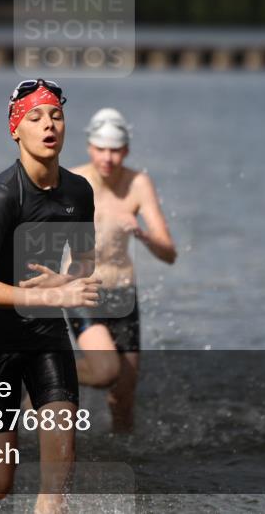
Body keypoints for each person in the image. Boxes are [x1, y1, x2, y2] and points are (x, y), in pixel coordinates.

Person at [0, 78, 102, 513]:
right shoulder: (1, 197)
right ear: (16, 129)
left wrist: (66, 281)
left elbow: (85, 263)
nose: (48, 125)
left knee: (56, 489)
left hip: (47, 336)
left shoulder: (78, 192)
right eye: (35, 117)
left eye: (56, 115)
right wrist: (42, 297)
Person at [67, 108, 177, 433]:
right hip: (83, 292)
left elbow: (169, 254)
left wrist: (142, 234)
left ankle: (127, 464)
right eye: (101, 149)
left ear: (126, 150)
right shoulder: (70, 182)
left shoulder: (138, 184)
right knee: (105, 372)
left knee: (124, 399)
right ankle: (46, 374)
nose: (108, 158)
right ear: (89, 147)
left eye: (115, 150)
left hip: (123, 295)